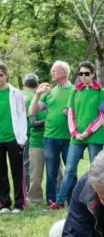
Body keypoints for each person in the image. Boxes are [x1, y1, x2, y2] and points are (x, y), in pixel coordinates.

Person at [49, 61, 104, 210]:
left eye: (86, 73)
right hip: (76, 137)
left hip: (94, 136)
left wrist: (87, 132)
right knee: (69, 170)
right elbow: (70, 113)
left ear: (93, 74)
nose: (83, 76)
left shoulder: (102, 92)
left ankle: (97, 201)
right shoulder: (74, 91)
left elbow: (101, 117)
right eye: (80, 74)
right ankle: (60, 202)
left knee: (95, 170)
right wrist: (75, 133)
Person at [29, 61, 74, 207]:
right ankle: (52, 201)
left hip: (69, 137)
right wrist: (37, 95)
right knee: (51, 172)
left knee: (70, 170)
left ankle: (73, 200)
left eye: (54, 71)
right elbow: (33, 112)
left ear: (63, 72)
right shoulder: (50, 92)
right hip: (50, 137)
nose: (51, 73)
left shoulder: (74, 91)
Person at [0, 62, 27, 214]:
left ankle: (19, 203)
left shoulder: (15, 93)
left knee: (18, 172)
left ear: (6, 75)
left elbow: (22, 115)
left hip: (14, 138)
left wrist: (22, 138)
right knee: (1, 173)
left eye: (1, 75)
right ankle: (4, 203)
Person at [22, 74, 39, 192]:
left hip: (15, 134)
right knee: (27, 163)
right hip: (29, 133)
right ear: (37, 84)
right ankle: (27, 189)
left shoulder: (18, 94)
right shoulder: (35, 97)